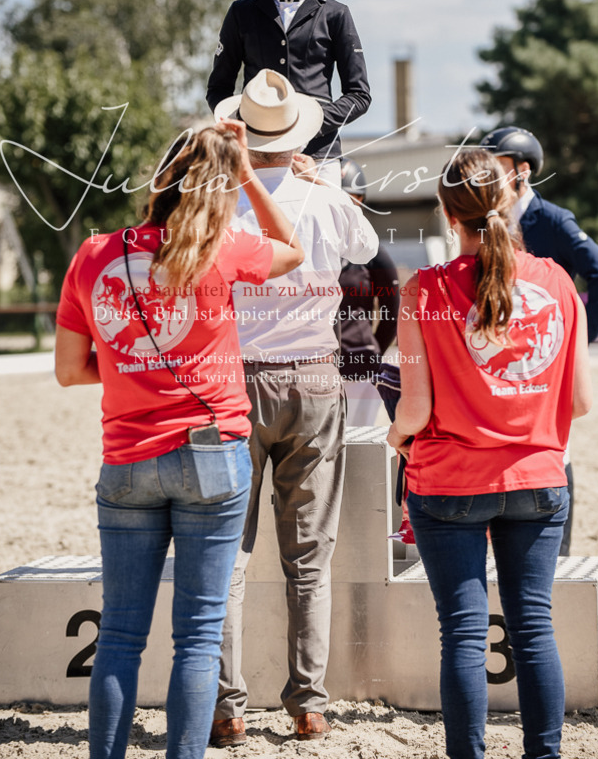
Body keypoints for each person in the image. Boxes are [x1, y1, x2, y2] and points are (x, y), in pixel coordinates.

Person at [54, 121, 305, 759]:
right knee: (197, 637)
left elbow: (67, 369)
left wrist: (127, 368)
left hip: (128, 458)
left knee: (120, 635)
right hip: (213, 453)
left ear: (158, 179)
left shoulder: (92, 254)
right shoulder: (224, 247)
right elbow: (292, 247)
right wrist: (246, 169)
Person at [387, 147, 592, 759]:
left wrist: (398, 438)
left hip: (449, 483)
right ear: (507, 202)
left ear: (449, 216)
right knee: (534, 629)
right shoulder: (557, 281)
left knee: (464, 636)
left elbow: (416, 411)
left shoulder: (423, 290)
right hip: (537, 477)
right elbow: (579, 402)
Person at [210, 69, 379, 745]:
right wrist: (323, 182)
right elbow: (367, 252)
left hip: (234, 379)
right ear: (298, 136)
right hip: (311, 379)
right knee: (308, 555)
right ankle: (307, 701)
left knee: (228, 553)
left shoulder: (220, 201)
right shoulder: (326, 199)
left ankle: (228, 707)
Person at [480, 125, 598, 553]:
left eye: (496, 168)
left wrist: (579, 342)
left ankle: (559, 549)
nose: (486, 177)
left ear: (522, 172)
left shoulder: (553, 219)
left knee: (559, 447)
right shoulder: (488, 222)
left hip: (547, 355)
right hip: (504, 361)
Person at [206, 0, 372, 186]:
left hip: (318, 156)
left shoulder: (336, 15)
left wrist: (309, 122)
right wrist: (246, 130)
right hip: (255, 156)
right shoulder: (241, 14)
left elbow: (359, 95)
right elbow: (218, 88)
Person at [337, 156, 400, 426]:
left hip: (359, 367)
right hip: (310, 366)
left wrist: (370, 351)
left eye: (353, 199)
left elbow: (391, 312)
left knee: (357, 451)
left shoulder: (373, 253)